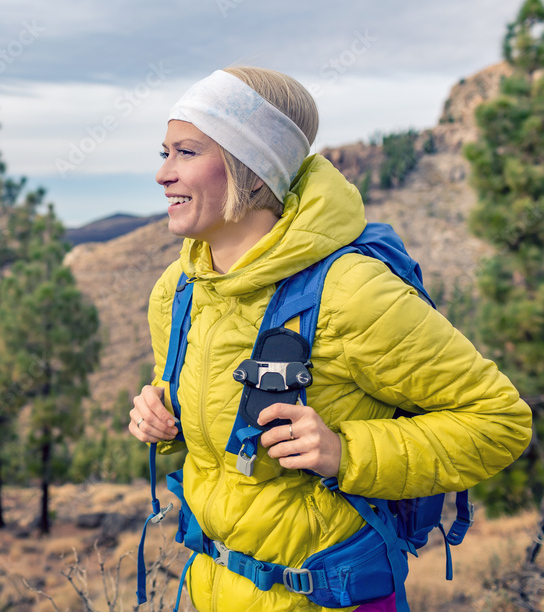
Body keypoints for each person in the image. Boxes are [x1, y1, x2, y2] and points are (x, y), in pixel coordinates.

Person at [128, 66, 533, 611]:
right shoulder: (178, 292)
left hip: (329, 596)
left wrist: (346, 452)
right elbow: (208, 420)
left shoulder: (350, 292)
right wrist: (161, 421)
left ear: (251, 170)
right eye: (165, 152)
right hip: (214, 591)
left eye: (187, 153)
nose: (163, 175)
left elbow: (499, 421)